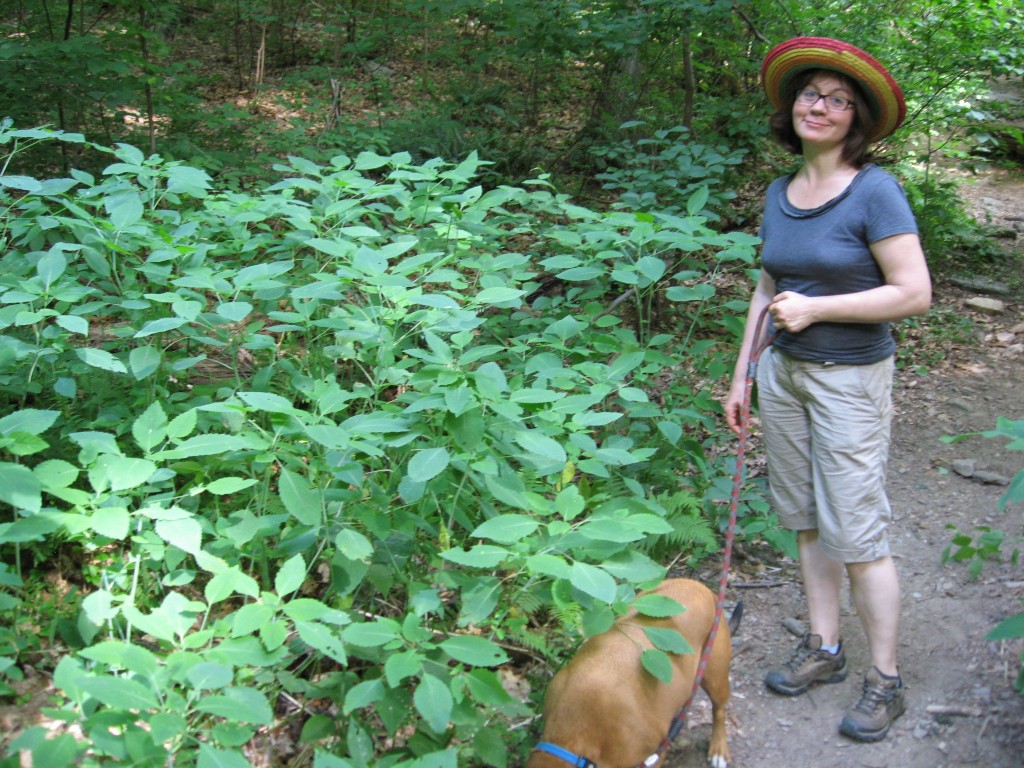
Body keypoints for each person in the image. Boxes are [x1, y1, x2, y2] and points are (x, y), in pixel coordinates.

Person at [722, 37, 932, 743]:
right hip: (783, 376)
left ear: (856, 120)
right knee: (806, 519)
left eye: (839, 99)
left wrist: (820, 309)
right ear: (793, 107)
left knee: (858, 532)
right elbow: (767, 286)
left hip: (849, 380)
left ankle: (885, 679)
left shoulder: (874, 190)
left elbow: (914, 293)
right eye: (812, 92)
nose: (821, 105)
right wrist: (742, 373)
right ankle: (824, 647)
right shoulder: (780, 191)